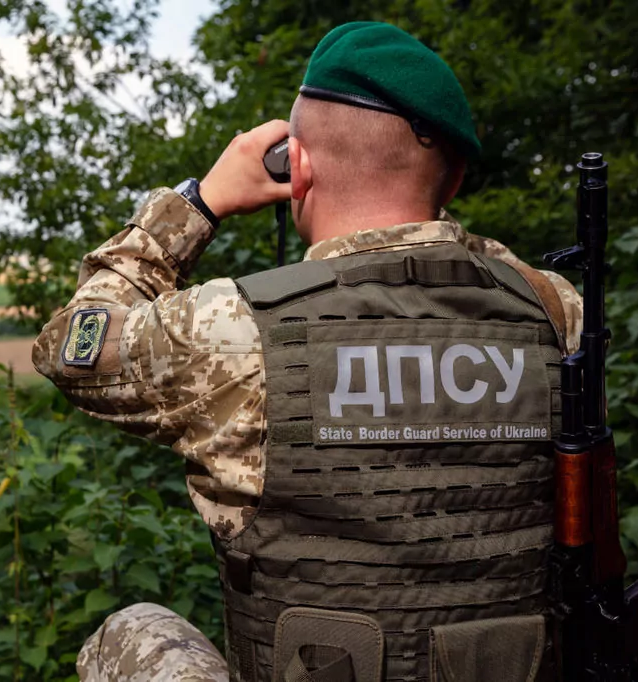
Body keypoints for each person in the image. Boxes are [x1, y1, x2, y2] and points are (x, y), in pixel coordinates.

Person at [33, 21, 582, 682]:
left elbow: (71, 345)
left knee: (132, 629)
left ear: (294, 166)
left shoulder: (238, 330)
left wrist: (198, 203)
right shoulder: (556, 312)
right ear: (455, 180)